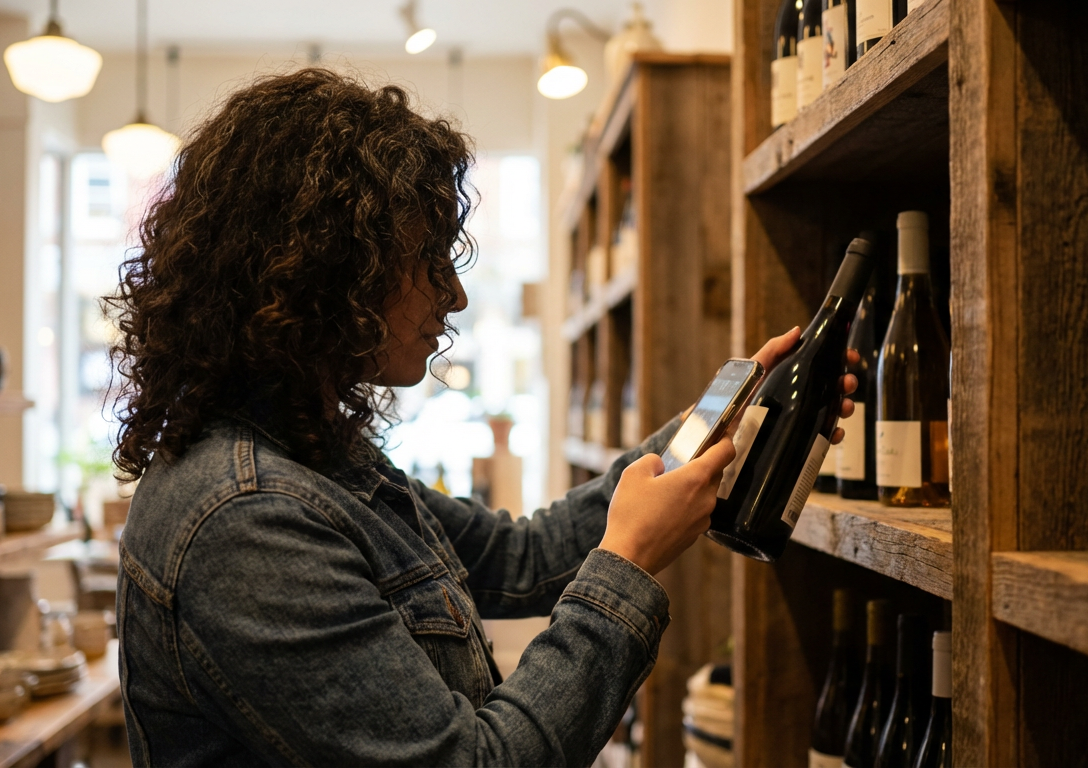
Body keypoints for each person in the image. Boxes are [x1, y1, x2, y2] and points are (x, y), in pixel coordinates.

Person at [108, 69, 856, 767]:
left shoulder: (312, 452)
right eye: (430, 261)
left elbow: (522, 558)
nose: (455, 297)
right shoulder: (247, 518)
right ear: (328, 270)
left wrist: (709, 426)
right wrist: (628, 564)